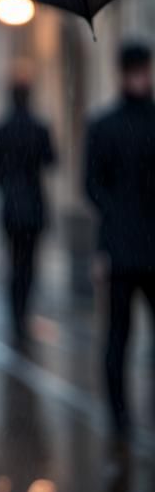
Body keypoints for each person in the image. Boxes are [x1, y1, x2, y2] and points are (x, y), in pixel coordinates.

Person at [84, 40, 155, 441]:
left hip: (123, 246)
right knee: (118, 336)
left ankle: (120, 417)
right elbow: (92, 187)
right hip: (125, 248)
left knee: (117, 338)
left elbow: (92, 188)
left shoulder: (104, 125)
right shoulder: (107, 126)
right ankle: (119, 418)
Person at [0, 73, 56, 343]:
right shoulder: (39, 128)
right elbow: (51, 160)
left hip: (10, 205)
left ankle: (15, 313)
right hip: (34, 204)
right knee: (29, 262)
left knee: (14, 261)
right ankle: (22, 311)